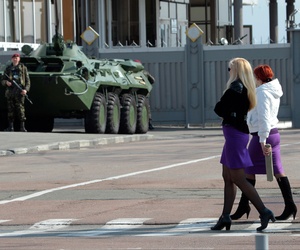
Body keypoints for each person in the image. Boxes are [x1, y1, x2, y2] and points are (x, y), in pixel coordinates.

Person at [212, 57, 275, 232]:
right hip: (235, 135)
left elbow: (218, 109)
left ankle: (264, 211)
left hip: (234, 135)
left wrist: (226, 110)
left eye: (230, 68)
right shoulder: (244, 88)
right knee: (227, 176)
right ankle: (225, 217)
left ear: (236, 70)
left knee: (238, 178)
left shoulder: (235, 88)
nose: (229, 71)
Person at [230, 64, 297, 221]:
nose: (253, 79)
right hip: (272, 134)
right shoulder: (271, 91)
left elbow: (265, 118)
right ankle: (289, 206)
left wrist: (262, 140)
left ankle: (244, 207)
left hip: (264, 136)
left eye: (254, 76)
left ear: (258, 78)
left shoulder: (263, 93)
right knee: (275, 171)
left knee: (249, 170)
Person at [1, 53, 31, 132]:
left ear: (19, 59)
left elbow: (28, 81)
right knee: (10, 110)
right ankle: (11, 127)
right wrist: (6, 82)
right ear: (12, 59)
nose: (15, 59)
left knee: (21, 109)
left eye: (17, 57)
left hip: (20, 91)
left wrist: (26, 90)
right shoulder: (8, 68)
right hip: (10, 91)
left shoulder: (23, 68)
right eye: (14, 58)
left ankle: (22, 127)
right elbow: (3, 80)